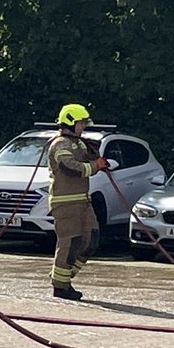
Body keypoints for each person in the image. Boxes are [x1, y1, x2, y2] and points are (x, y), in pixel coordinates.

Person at [48, 103, 108, 300]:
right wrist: (94, 165)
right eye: (80, 123)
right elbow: (69, 167)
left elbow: (84, 160)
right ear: (71, 122)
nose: (83, 126)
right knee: (70, 242)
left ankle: (64, 275)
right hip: (65, 203)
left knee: (92, 239)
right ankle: (60, 285)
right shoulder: (60, 144)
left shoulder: (78, 143)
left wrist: (93, 154)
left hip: (83, 202)